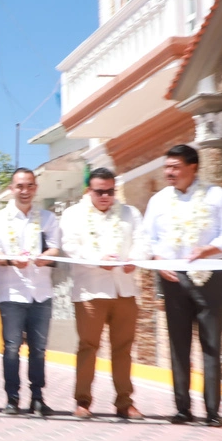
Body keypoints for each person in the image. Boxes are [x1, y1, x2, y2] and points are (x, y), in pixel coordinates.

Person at [143, 144, 222, 427]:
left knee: (211, 346)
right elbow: (147, 239)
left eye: (174, 167)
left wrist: (206, 250)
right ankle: (182, 408)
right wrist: (159, 261)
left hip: (210, 277)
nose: (168, 172)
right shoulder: (159, 201)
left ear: (193, 168)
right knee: (178, 345)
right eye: (166, 167)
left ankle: (213, 411)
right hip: (173, 279)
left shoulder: (216, 196)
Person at [60, 167, 148, 420]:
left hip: (124, 289)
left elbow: (143, 241)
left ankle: (124, 402)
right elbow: (71, 247)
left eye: (110, 191)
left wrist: (136, 258)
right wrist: (99, 260)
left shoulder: (130, 213)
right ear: (89, 190)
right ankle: (83, 401)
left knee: (123, 348)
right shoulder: (73, 214)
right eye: (100, 191)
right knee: (88, 347)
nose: (105, 196)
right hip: (90, 291)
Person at [0, 168, 61, 416]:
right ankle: (12, 398)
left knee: (39, 349)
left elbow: (55, 249)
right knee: (11, 347)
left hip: (41, 292)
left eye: (30, 185)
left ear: (35, 188)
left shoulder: (48, 219)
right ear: (12, 189)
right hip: (11, 293)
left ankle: (38, 398)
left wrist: (45, 257)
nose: (25, 190)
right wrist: (11, 261)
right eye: (20, 186)